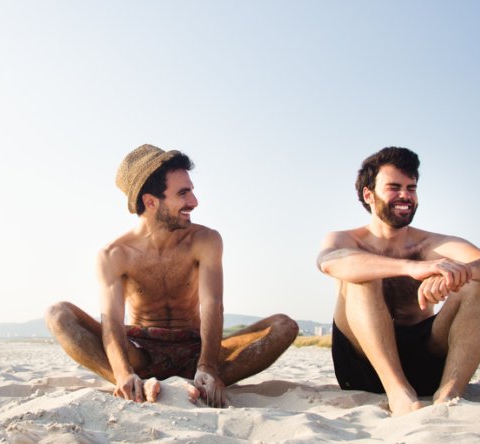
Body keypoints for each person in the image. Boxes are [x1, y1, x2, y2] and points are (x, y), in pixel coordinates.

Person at [47, 144, 298, 407]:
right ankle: (132, 384)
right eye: (183, 193)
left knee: (284, 326)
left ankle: (200, 380)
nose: (194, 202)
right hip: (141, 353)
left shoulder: (205, 240)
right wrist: (122, 372)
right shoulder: (114, 254)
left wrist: (208, 365)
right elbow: (111, 322)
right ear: (151, 201)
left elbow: (213, 304)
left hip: (195, 348)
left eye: (192, 190)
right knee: (58, 313)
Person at [316, 146, 480, 415]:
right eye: (394, 187)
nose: (405, 196)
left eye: (411, 188)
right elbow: (330, 262)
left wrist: (459, 273)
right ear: (369, 194)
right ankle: (398, 393)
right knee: (360, 276)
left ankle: (450, 394)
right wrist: (414, 268)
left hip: (424, 361)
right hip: (362, 364)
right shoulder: (345, 239)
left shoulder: (433, 244)